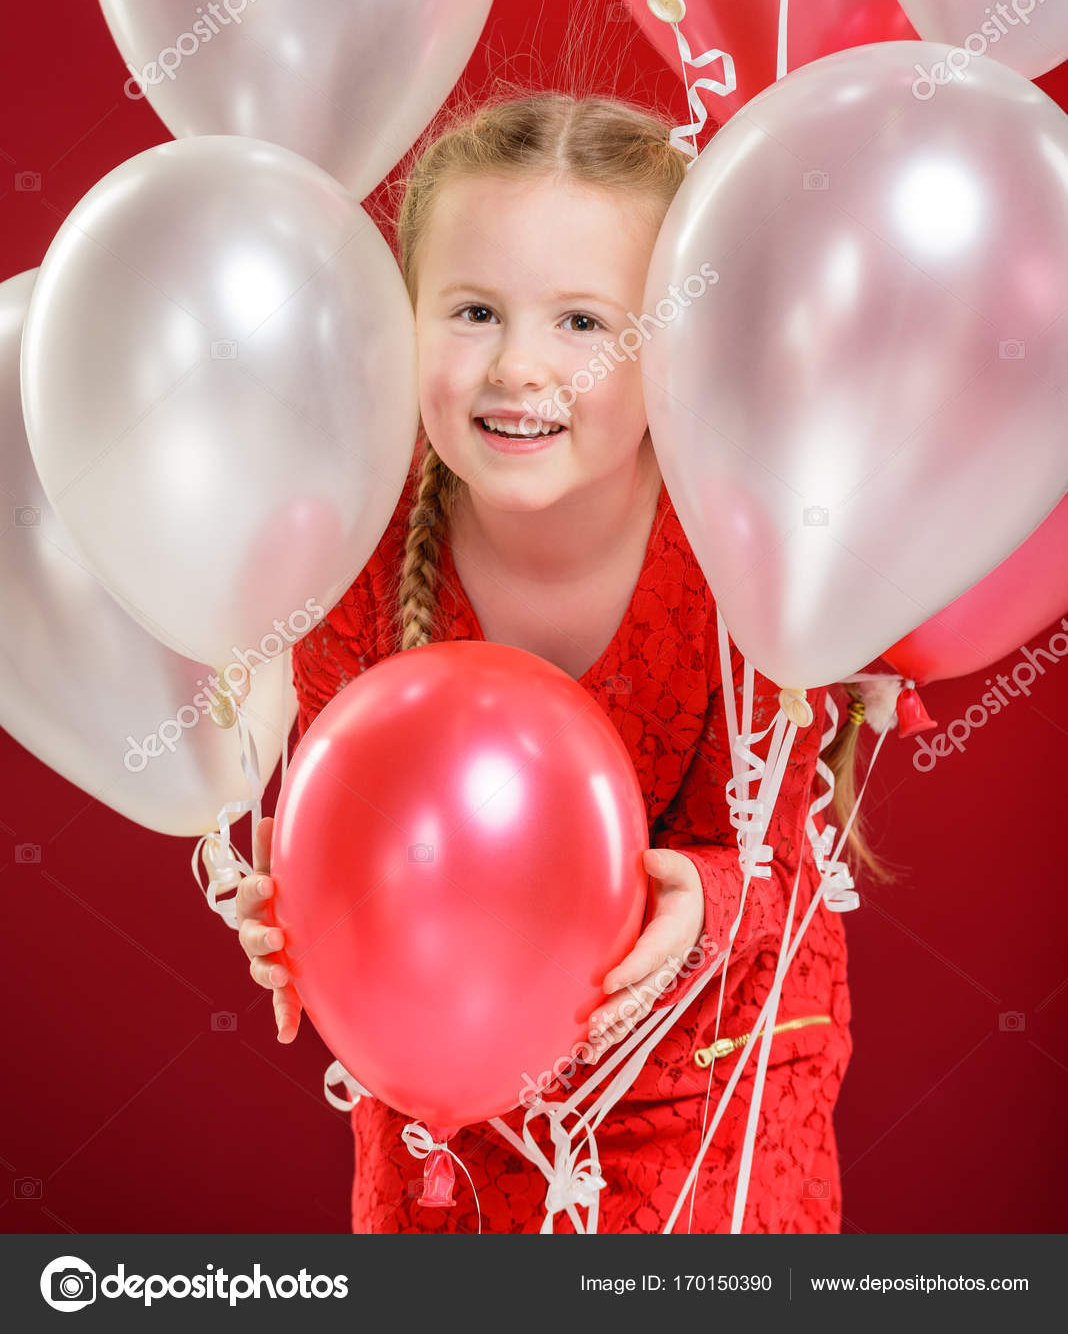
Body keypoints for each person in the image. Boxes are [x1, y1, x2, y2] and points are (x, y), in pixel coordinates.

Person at [236, 91, 893, 1235]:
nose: (520, 365)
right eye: (475, 310)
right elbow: (361, 831)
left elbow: (789, 858)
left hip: (716, 1078)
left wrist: (714, 899)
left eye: (586, 323)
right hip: (451, 1112)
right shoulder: (354, 548)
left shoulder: (748, 542)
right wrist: (298, 908)